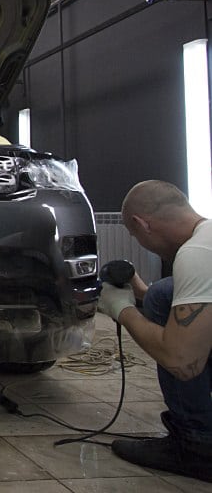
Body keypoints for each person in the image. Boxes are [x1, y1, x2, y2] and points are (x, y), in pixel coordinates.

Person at [97, 180, 212, 482]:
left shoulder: (197, 254)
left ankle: (196, 444)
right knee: (162, 294)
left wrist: (122, 310)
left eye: (134, 235)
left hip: (184, 359)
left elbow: (183, 363)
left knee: (173, 330)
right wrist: (137, 289)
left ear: (141, 224)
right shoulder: (207, 238)